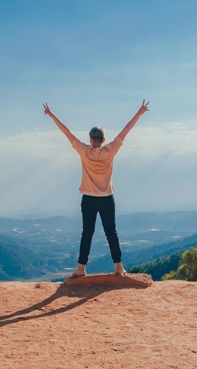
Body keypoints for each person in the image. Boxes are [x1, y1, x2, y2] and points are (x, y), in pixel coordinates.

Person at [43, 100, 150, 277]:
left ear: (91, 140)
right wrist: (139, 113)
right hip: (107, 197)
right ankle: (118, 267)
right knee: (111, 233)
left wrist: (52, 115)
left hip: (88, 198)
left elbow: (67, 133)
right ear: (104, 140)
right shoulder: (111, 150)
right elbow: (125, 131)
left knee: (87, 233)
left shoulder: (84, 150)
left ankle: (81, 269)